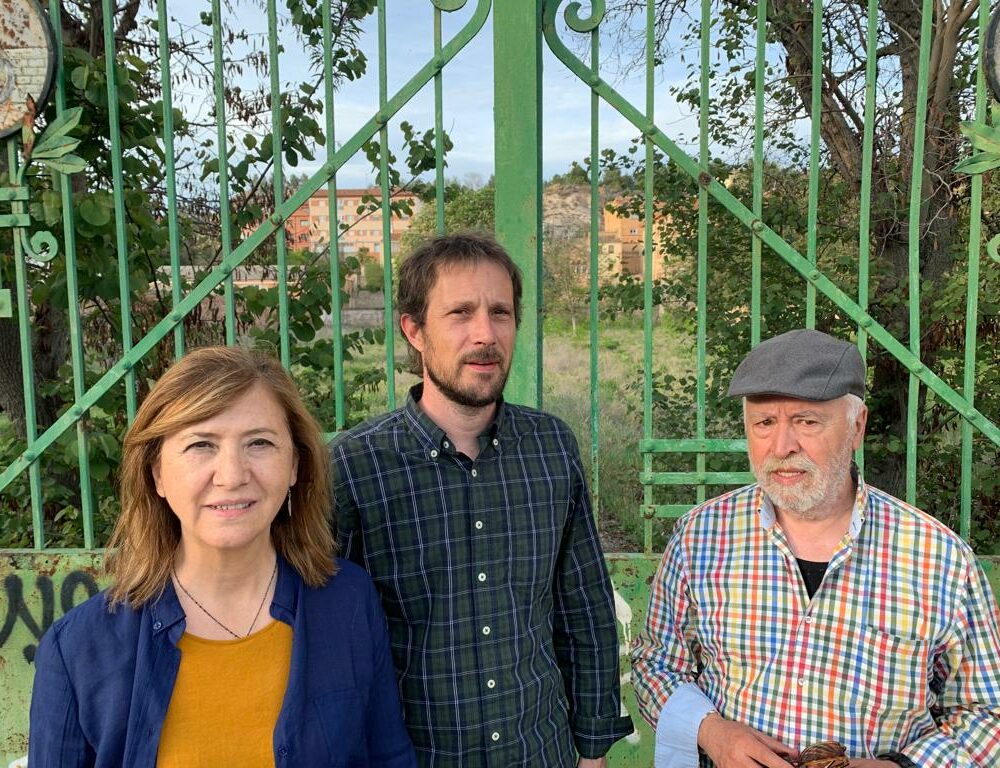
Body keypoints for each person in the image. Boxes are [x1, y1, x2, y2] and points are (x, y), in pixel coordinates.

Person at [29, 347, 415, 768]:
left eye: (259, 443)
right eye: (201, 445)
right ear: (157, 473)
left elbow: (389, 758)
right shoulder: (77, 650)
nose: (232, 476)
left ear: (294, 465)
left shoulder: (349, 602)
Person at [631, 329, 1000, 768]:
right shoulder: (700, 537)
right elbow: (655, 664)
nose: (782, 447)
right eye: (764, 423)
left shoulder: (940, 559)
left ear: (857, 426)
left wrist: (896, 766)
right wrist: (711, 733)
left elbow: (986, 713)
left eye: (807, 422)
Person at [331, 233, 633, 767]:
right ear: (414, 330)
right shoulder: (355, 467)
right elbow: (327, 640)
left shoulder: (551, 447)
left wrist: (593, 748)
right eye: (460, 313)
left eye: (500, 313)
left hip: (540, 751)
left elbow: (584, 608)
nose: (485, 335)